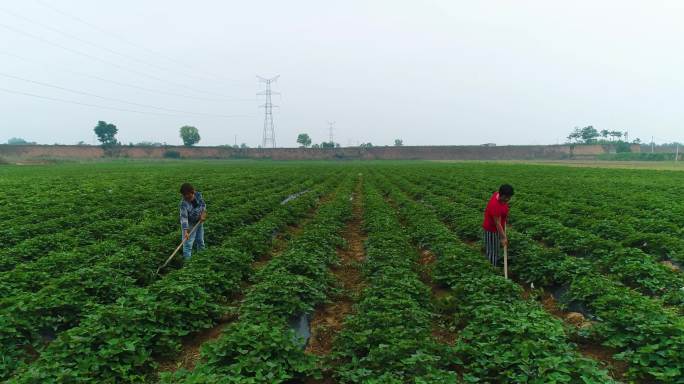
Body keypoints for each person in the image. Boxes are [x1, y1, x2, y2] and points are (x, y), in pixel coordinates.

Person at [482, 184, 514, 267]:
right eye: (507, 197)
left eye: (509, 197)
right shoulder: (495, 205)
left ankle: (495, 263)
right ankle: (491, 268)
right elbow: (497, 223)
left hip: (497, 228)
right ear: (502, 195)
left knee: (496, 248)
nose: (508, 199)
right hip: (491, 229)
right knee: (492, 251)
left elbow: (503, 208)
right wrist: (503, 237)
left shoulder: (498, 195)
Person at [179, 183, 207, 259]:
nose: (186, 197)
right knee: (187, 244)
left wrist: (203, 213)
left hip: (199, 221)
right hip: (189, 223)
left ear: (193, 192)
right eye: (184, 195)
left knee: (200, 241)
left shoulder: (198, 195)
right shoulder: (183, 204)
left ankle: (202, 258)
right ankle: (188, 264)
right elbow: (184, 217)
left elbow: (203, 205)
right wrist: (185, 231)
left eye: (188, 194)